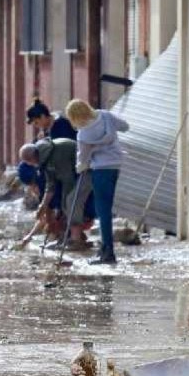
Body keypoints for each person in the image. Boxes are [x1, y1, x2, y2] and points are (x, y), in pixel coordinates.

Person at [66, 98, 129, 265]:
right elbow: (125, 126)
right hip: (115, 166)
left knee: (103, 211)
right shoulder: (106, 116)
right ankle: (105, 249)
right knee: (106, 209)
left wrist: (80, 166)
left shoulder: (83, 134)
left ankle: (108, 252)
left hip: (100, 170)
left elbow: (83, 161)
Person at [16, 138, 95, 249]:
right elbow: (50, 185)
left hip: (89, 169)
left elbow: (68, 181)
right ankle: (68, 238)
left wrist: (63, 207)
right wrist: (42, 205)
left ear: (32, 158)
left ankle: (76, 240)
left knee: (71, 201)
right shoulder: (44, 160)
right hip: (76, 173)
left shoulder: (55, 154)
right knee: (65, 204)